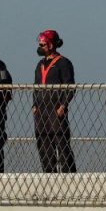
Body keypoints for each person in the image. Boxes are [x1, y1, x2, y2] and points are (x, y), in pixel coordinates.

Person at [33, 29, 76, 173]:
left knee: (61, 142)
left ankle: (69, 175)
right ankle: (49, 174)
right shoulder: (40, 64)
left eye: (43, 44)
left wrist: (63, 105)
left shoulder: (63, 62)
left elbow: (70, 86)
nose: (40, 47)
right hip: (41, 110)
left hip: (56, 108)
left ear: (51, 45)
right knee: (43, 143)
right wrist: (34, 105)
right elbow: (36, 86)